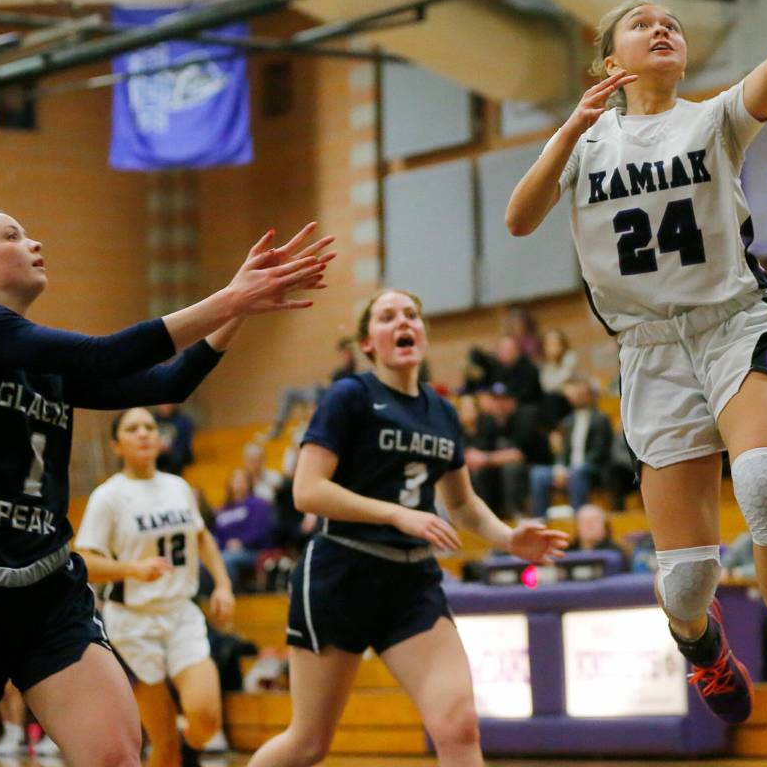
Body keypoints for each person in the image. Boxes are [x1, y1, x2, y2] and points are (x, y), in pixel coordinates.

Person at [505, 0, 767, 766]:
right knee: (685, 582)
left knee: (765, 491)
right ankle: (698, 643)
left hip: (732, 328)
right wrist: (568, 127)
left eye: (672, 21)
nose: (663, 28)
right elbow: (521, 218)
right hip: (647, 353)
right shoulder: (586, 145)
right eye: (642, 24)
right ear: (610, 61)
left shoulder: (712, 121)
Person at [0, 210, 333, 767]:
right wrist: (229, 296)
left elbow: (165, 381)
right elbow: (104, 354)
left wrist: (238, 309)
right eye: (12, 235)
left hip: (45, 589)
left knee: (117, 757)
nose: (34, 241)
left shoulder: (39, 361)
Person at [247, 288, 567, 767]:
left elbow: (462, 504)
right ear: (368, 343)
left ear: (423, 333)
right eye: (387, 316)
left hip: (411, 584)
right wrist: (395, 513)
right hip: (342, 574)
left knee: (459, 725)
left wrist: (507, 536)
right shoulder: (349, 396)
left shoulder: (442, 411)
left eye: (412, 315)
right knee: (309, 743)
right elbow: (307, 491)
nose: (403, 322)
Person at [76, 407, 237, 767]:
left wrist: (223, 586)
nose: (145, 433)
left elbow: (203, 538)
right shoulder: (109, 497)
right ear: (116, 445)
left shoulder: (178, 487)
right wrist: (132, 569)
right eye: (133, 429)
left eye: (150, 427)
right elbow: (84, 562)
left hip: (181, 613)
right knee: (163, 747)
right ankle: (173, 750)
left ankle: (187, 746)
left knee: (206, 718)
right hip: (133, 624)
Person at [529, 377, 613, 517]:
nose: (574, 399)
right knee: (537, 474)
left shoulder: (601, 419)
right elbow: (563, 451)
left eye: (579, 395)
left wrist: (576, 468)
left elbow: (600, 451)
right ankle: (541, 520)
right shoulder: (568, 421)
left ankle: (578, 517)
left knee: (578, 473)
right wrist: (560, 468)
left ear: (588, 396)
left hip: (592, 468)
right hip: (570, 469)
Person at [465, 382, 549, 519]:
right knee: (482, 472)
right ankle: (487, 516)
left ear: (512, 401)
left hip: (533, 466)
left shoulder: (527, 416)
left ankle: (516, 514)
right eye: (495, 400)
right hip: (502, 468)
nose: (499, 405)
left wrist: (485, 459)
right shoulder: (490, 421)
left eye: (503, 400)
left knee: (510, 469)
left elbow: (518, 455)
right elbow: (482, 448)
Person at [213, 468, 277, 591]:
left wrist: (242, 542)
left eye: (241, 480)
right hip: (226, 551)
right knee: (206, 562)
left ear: (249, 483)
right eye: (235, 480)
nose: (238, 484)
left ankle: (231, 594)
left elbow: (261, 531)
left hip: (253, 551)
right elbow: (217, 534)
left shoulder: (257, 504)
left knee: (225, 560)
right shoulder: (224, 509)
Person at [153, 402, 195, 475]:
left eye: (167, 404)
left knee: (176, 459)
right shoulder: (152, 420)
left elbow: (186, 443)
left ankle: (173, 483)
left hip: (177, 453)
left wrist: (170, 448)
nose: (164, 406)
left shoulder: (184, 421)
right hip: (157, 453)